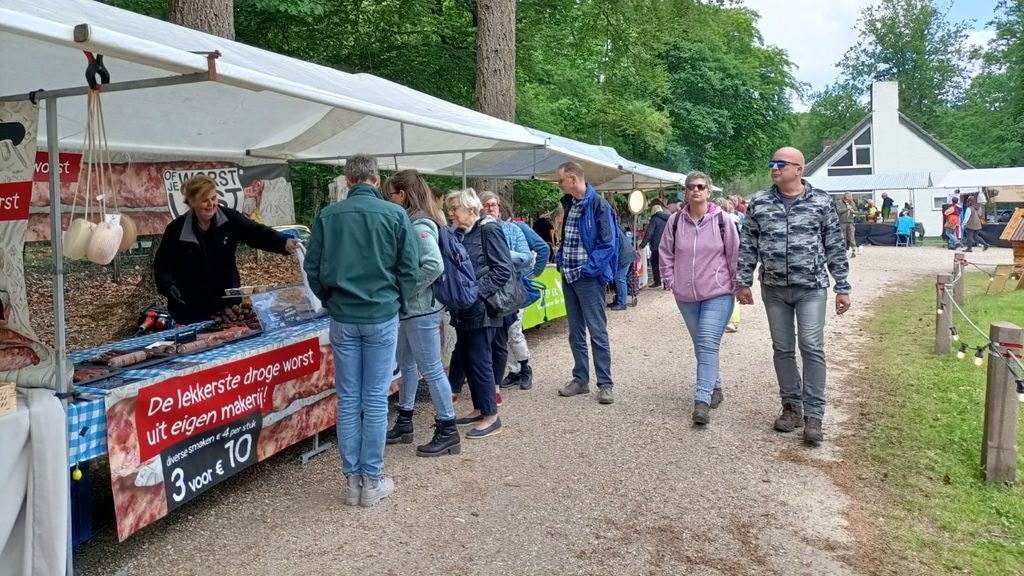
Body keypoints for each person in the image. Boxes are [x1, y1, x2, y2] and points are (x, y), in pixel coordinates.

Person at [304, 154, 418, 507]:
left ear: (348, 181)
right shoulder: (395, 214)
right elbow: (409, 268)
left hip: (343, 316)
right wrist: (399, 301)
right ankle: (372, 479)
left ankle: (353, 480)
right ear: (376, 179)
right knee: (374, 397)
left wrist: (331, 299)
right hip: (380, 314)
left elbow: (313, 268)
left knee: (349, 399)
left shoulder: (328, 216)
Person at [737, 147, 851, 446]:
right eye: (772, 162)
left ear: (798, 169)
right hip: (773, 289)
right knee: (783, 347)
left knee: (811, 346)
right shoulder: (759, 202)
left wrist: (842, 285)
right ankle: (792, 407)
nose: (774, 168)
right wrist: (743, 281)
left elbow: (835, 244)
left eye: (781, 164)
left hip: (811, 287)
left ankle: (815, 415)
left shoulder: (821, 201)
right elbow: (748, 243)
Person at [382, 170, 460, 457]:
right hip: (411, 311)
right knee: (409, 365)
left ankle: (448, 429)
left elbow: (433, 266)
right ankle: (405, 420)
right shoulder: (415, 221)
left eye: (391, 193)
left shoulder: (418, 225)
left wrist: (404, 290)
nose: (389, 199)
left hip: (420, 311)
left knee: (431, 368)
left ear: (403, 195)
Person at [154, 174, 300, 325]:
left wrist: (284, 242)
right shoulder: (176, 229)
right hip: (190, 310)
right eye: (205, 200)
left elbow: (257, 233)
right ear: (192, 203)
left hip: (229, 309)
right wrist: (168, 286)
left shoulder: (230, 219)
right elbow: (162, 264)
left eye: (213, 198)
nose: (211, 204)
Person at [661, 172, 740, 425]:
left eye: (701, 186)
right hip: (685, 294)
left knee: (706, 340)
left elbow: (734, 253)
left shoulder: (722, 221)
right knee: (700, 343)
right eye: (691, 187)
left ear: (708, 191)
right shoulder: (675, 221)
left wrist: (737, 285)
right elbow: (665, 253)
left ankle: (701, 399)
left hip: (718, 292)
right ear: (685, 192)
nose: (695, 190)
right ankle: (715, 385)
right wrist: (671, 281)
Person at [445, 188, 513, 439]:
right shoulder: (462, 233)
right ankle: (479, 408)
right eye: (450, 209)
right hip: (466, 309)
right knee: (469, 357)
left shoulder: (488, 229)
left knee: (480, 359)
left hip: (483, 308)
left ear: (471, 209)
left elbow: (503, 270)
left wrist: (474, 293)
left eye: (455, 209)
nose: (450, 213)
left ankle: (491, 416)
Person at [554, 161, 618, 405]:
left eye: (560, 180)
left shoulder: (598, 204)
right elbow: (568, 239)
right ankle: (580, 379)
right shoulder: (570, 204)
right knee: (575, 331)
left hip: (587, 278)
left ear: (572, 179)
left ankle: (605, 384)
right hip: (569, 275)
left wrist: (589, 270)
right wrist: (561, 260)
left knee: (597, 331)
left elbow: (607, 243)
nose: (559, 185)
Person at [479, 191, 530, 406]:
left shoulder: (512, 229)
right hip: (487, 293)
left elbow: (526, 257)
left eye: (494, 205)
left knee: (513, 332)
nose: (492, 208)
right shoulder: (476, 231)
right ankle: (505, 374)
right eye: (487, 205)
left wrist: (502, 253)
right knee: (494, 339)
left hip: (508, 291)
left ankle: (525, 368)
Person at [498, 199, 550, 391]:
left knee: (514, 329)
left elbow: (543, 248)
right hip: (500, 289)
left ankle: (524, 368)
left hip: (516, 287)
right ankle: (514, 371)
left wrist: (535, 271)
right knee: (507, 332)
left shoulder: (517, 227)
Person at [611, 212, 637, 311]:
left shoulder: (612, 229)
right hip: (628, 254)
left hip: (624, 256)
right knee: (620, 278)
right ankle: (619, 300)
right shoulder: (615, 226)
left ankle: (622, 303)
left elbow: (614, 248)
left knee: (620, 278)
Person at [640, 205, 670, 288]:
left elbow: (650, 233)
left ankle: (657, 282)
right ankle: (666, 282)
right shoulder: (668, 218)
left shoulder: (654, 219)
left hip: (657, 245)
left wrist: (643, 244)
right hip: (667, 245)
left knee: (654, 263)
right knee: (665, 264)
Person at [837, 192, 858, 259]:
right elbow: (839, 211)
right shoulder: (839, 202)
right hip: (842, 222)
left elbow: (856, 210)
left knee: (851, 236)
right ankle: (844, 251)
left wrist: (853, 211)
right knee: (843, 237)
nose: (851, 197)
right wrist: (847, 208)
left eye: (851, 196)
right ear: (845, 196)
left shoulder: (852, 202)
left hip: (850, 221)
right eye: (849, 196)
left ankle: (854, 250)